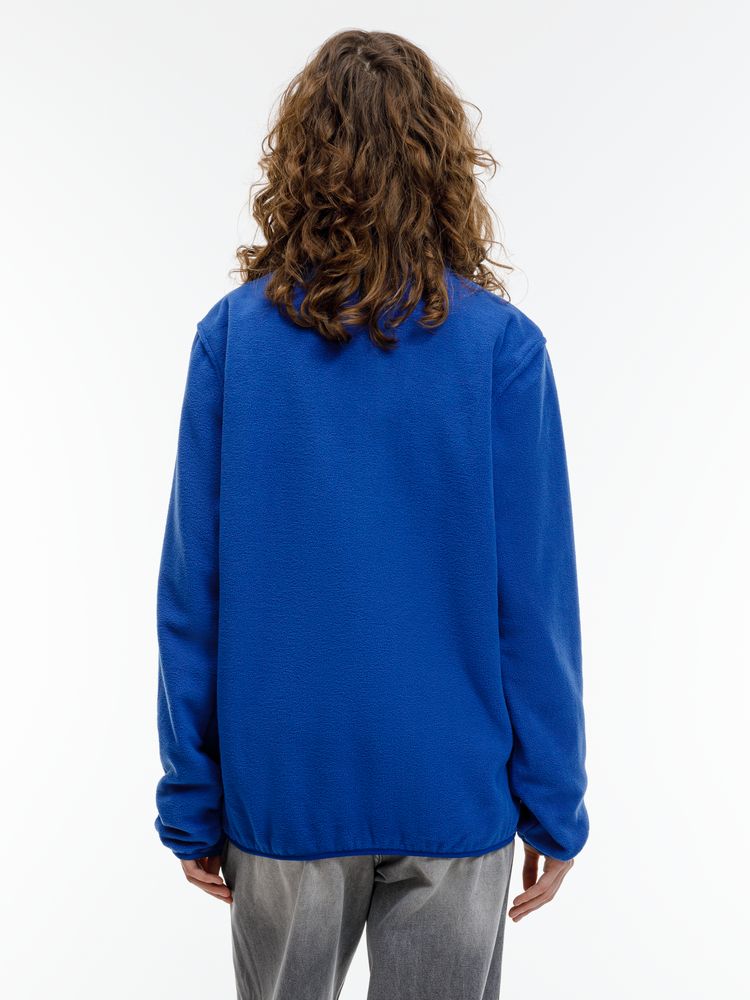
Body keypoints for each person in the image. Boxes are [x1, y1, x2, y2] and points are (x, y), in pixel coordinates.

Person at [154, 29, 588, 1000]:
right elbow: (536, 605)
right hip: (451, 787)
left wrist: (191, 794)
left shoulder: (235, 341)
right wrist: (554, 800)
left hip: (286, 787)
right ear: (443, 166)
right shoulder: (501, 349)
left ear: (299, 161)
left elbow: (192, 594)